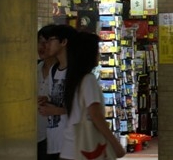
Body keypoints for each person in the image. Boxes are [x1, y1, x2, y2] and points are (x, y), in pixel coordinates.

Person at [61, 31, 126, 160]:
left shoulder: (73, 80)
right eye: (97, 51)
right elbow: (95, 115)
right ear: (88, 54)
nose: (99, 55)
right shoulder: (89, 80)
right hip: (85, 147)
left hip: (70, 147)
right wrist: (115, 144)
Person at [39, 24, 77, 160]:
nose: (46, 45)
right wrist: (47, 102)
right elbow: (58, 101)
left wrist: (56, 111)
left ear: (64, 42)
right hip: (53, 140)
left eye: (50, 40)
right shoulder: (54, 70)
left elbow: (81, 107)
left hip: (70, 142)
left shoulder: (76, 72)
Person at [37, 24, 58, 160]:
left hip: (53, 138)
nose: (42, 47)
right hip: (33, 136)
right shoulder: (33, 69)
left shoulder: (62, 72)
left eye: (46, 42)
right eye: (40, 42)